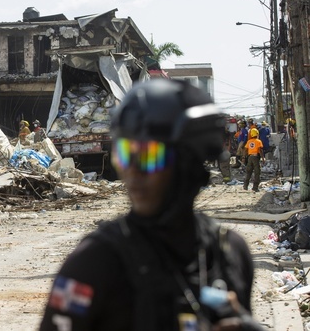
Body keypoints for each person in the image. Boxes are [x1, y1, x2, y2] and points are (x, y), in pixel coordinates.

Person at [39, 79, 264, 331]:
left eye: (149, 156)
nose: (134, 172)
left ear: (189, 162)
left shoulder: (228, 254)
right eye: (125, 155)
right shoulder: (94, 262)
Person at [242, 128, 264, 192]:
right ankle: (255, 187)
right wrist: (262, 158)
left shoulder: (249, 141)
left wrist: (243, 158)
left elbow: (245, 150)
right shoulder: (258, 141)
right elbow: (260, 150)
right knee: (257, 173)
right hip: (255, 157)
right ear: (257, 134)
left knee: (249, 172)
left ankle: (245, 186)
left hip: (250, 158)